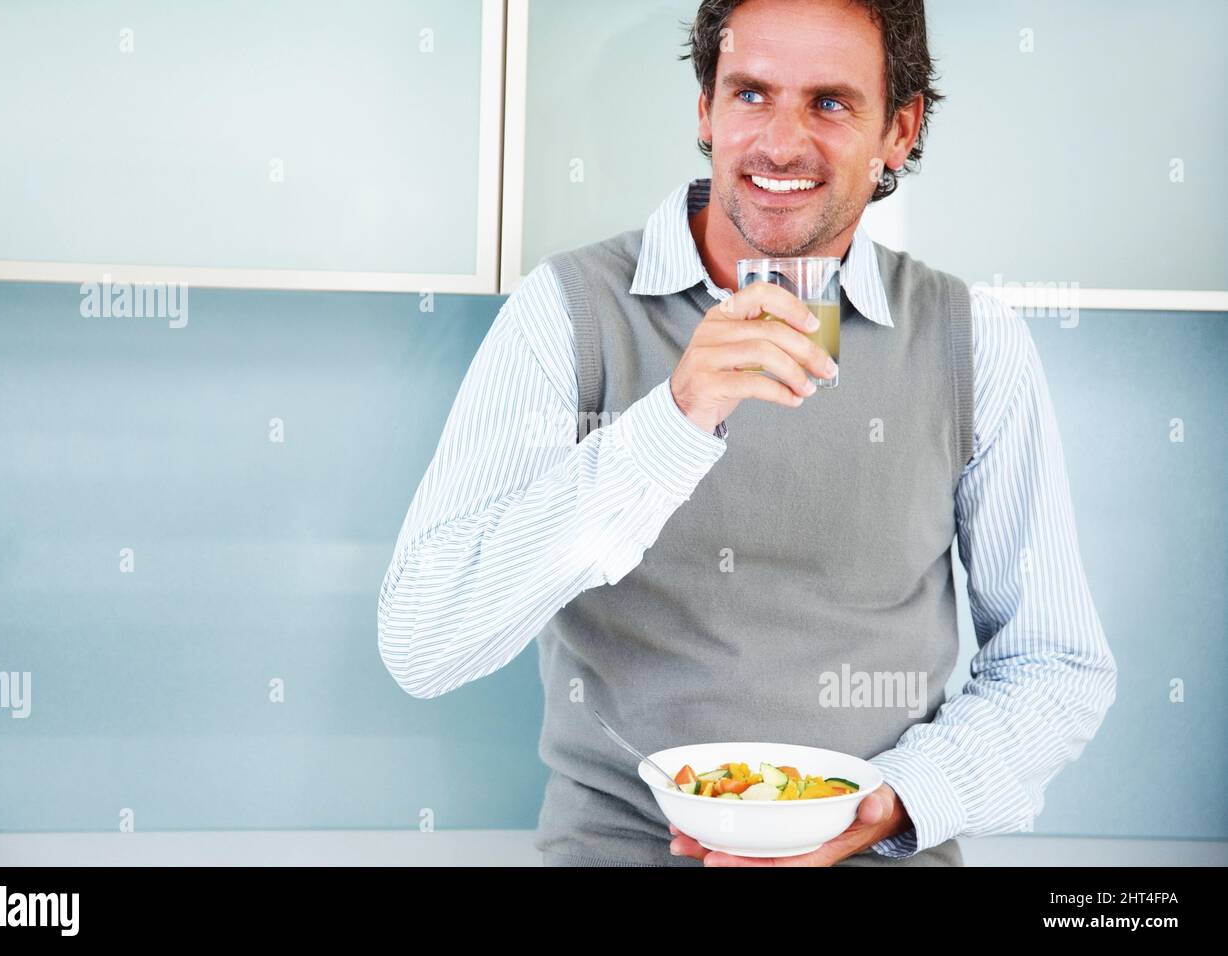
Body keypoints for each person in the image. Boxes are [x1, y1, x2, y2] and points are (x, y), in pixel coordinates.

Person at [377, 0, 1117, 867]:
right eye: (751, 94)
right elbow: (422, 643)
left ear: (900, 130)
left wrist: (897, 801)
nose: (780, 144)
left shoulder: (973, 340)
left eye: (831, 103)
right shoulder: (565, 312)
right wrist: (672, 424)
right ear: (705, 108)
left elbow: (1056, 663)